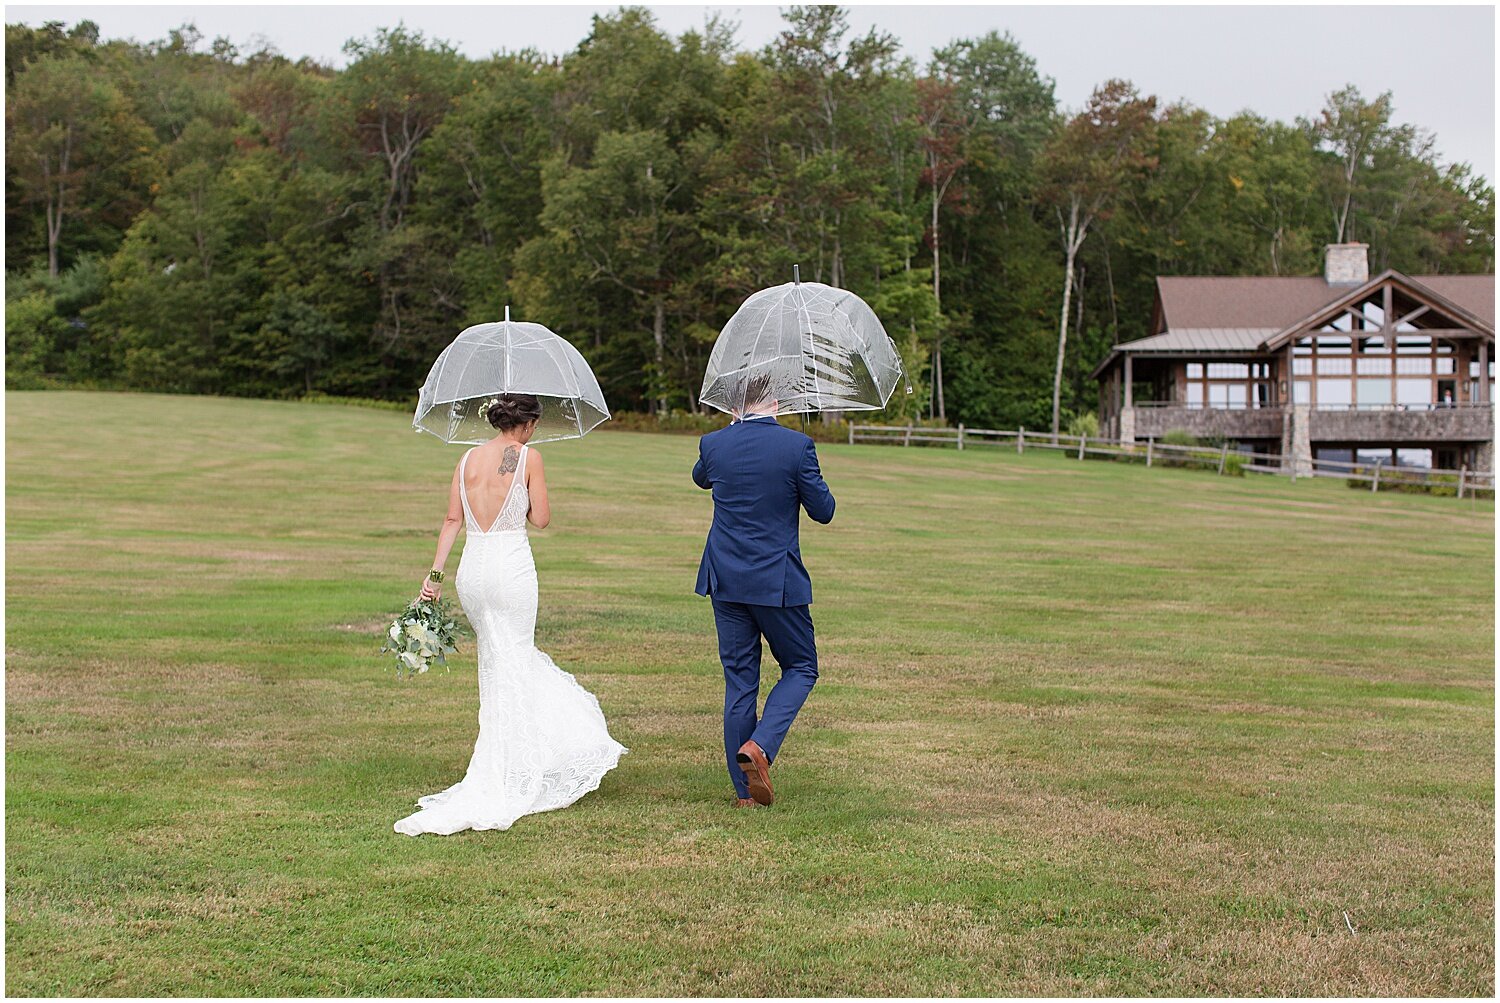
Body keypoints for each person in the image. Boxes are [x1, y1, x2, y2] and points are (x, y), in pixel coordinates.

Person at [395, 393, 625, 835]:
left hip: (472, 573)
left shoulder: (466, 461)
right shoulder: (527, 458)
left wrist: (434, 577)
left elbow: (450, 521)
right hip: (511, 569)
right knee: (515, 657)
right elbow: (541, 519)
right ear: (529, 422)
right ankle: (539, 757)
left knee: (497, 664)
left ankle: (507, 759)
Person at [691, 375, 835, 807]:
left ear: (736, 405)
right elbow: (824, 511)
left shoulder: (714, 444)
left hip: (726, 579)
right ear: (776, 400)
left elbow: (702, 478)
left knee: (739, 684)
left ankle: (744, 795)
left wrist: (732, 429)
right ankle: (761, 746)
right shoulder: (796, 447)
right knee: (802, 667)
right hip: (776, 581)